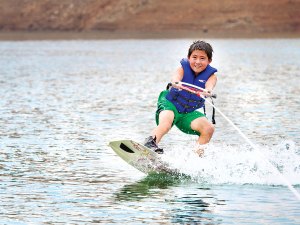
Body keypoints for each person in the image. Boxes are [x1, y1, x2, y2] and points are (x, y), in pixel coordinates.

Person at [144, 40, 218, 156]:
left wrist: (208, 91)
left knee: (209, 128)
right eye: (194, 57)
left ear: (209, 61)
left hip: (188, 113)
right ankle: (150, 145)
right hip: (170, 104)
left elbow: (210, 85)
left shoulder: (211, 76)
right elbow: (175, 77)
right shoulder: (182, 69)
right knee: (167, 122)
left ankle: (196, 158)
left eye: (202, 58)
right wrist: (176, 82)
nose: (198, 62)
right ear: (189, 58)